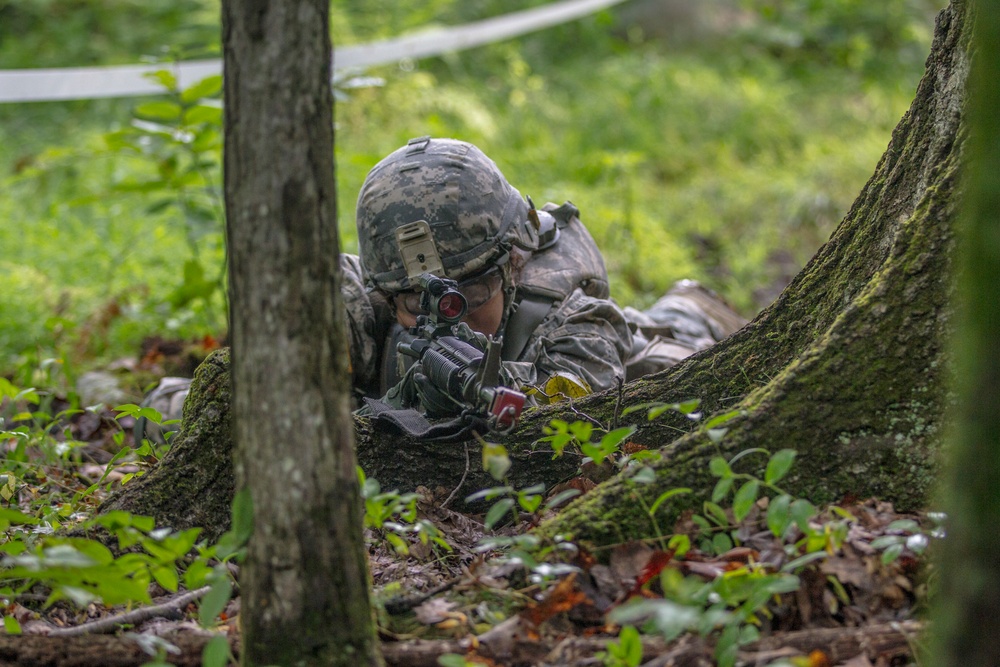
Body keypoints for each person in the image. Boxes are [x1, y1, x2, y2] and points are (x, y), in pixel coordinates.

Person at [138, 137, 745, 439]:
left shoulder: (566, 313)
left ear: (510, 264)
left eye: (462, 299)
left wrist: (491, 393)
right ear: (382, 290)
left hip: (611, 343)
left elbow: (574, 422)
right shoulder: (356, 307)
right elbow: (189, 402)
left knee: (663, 356)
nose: (438, 321)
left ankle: (689, 302)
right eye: (412, 302)